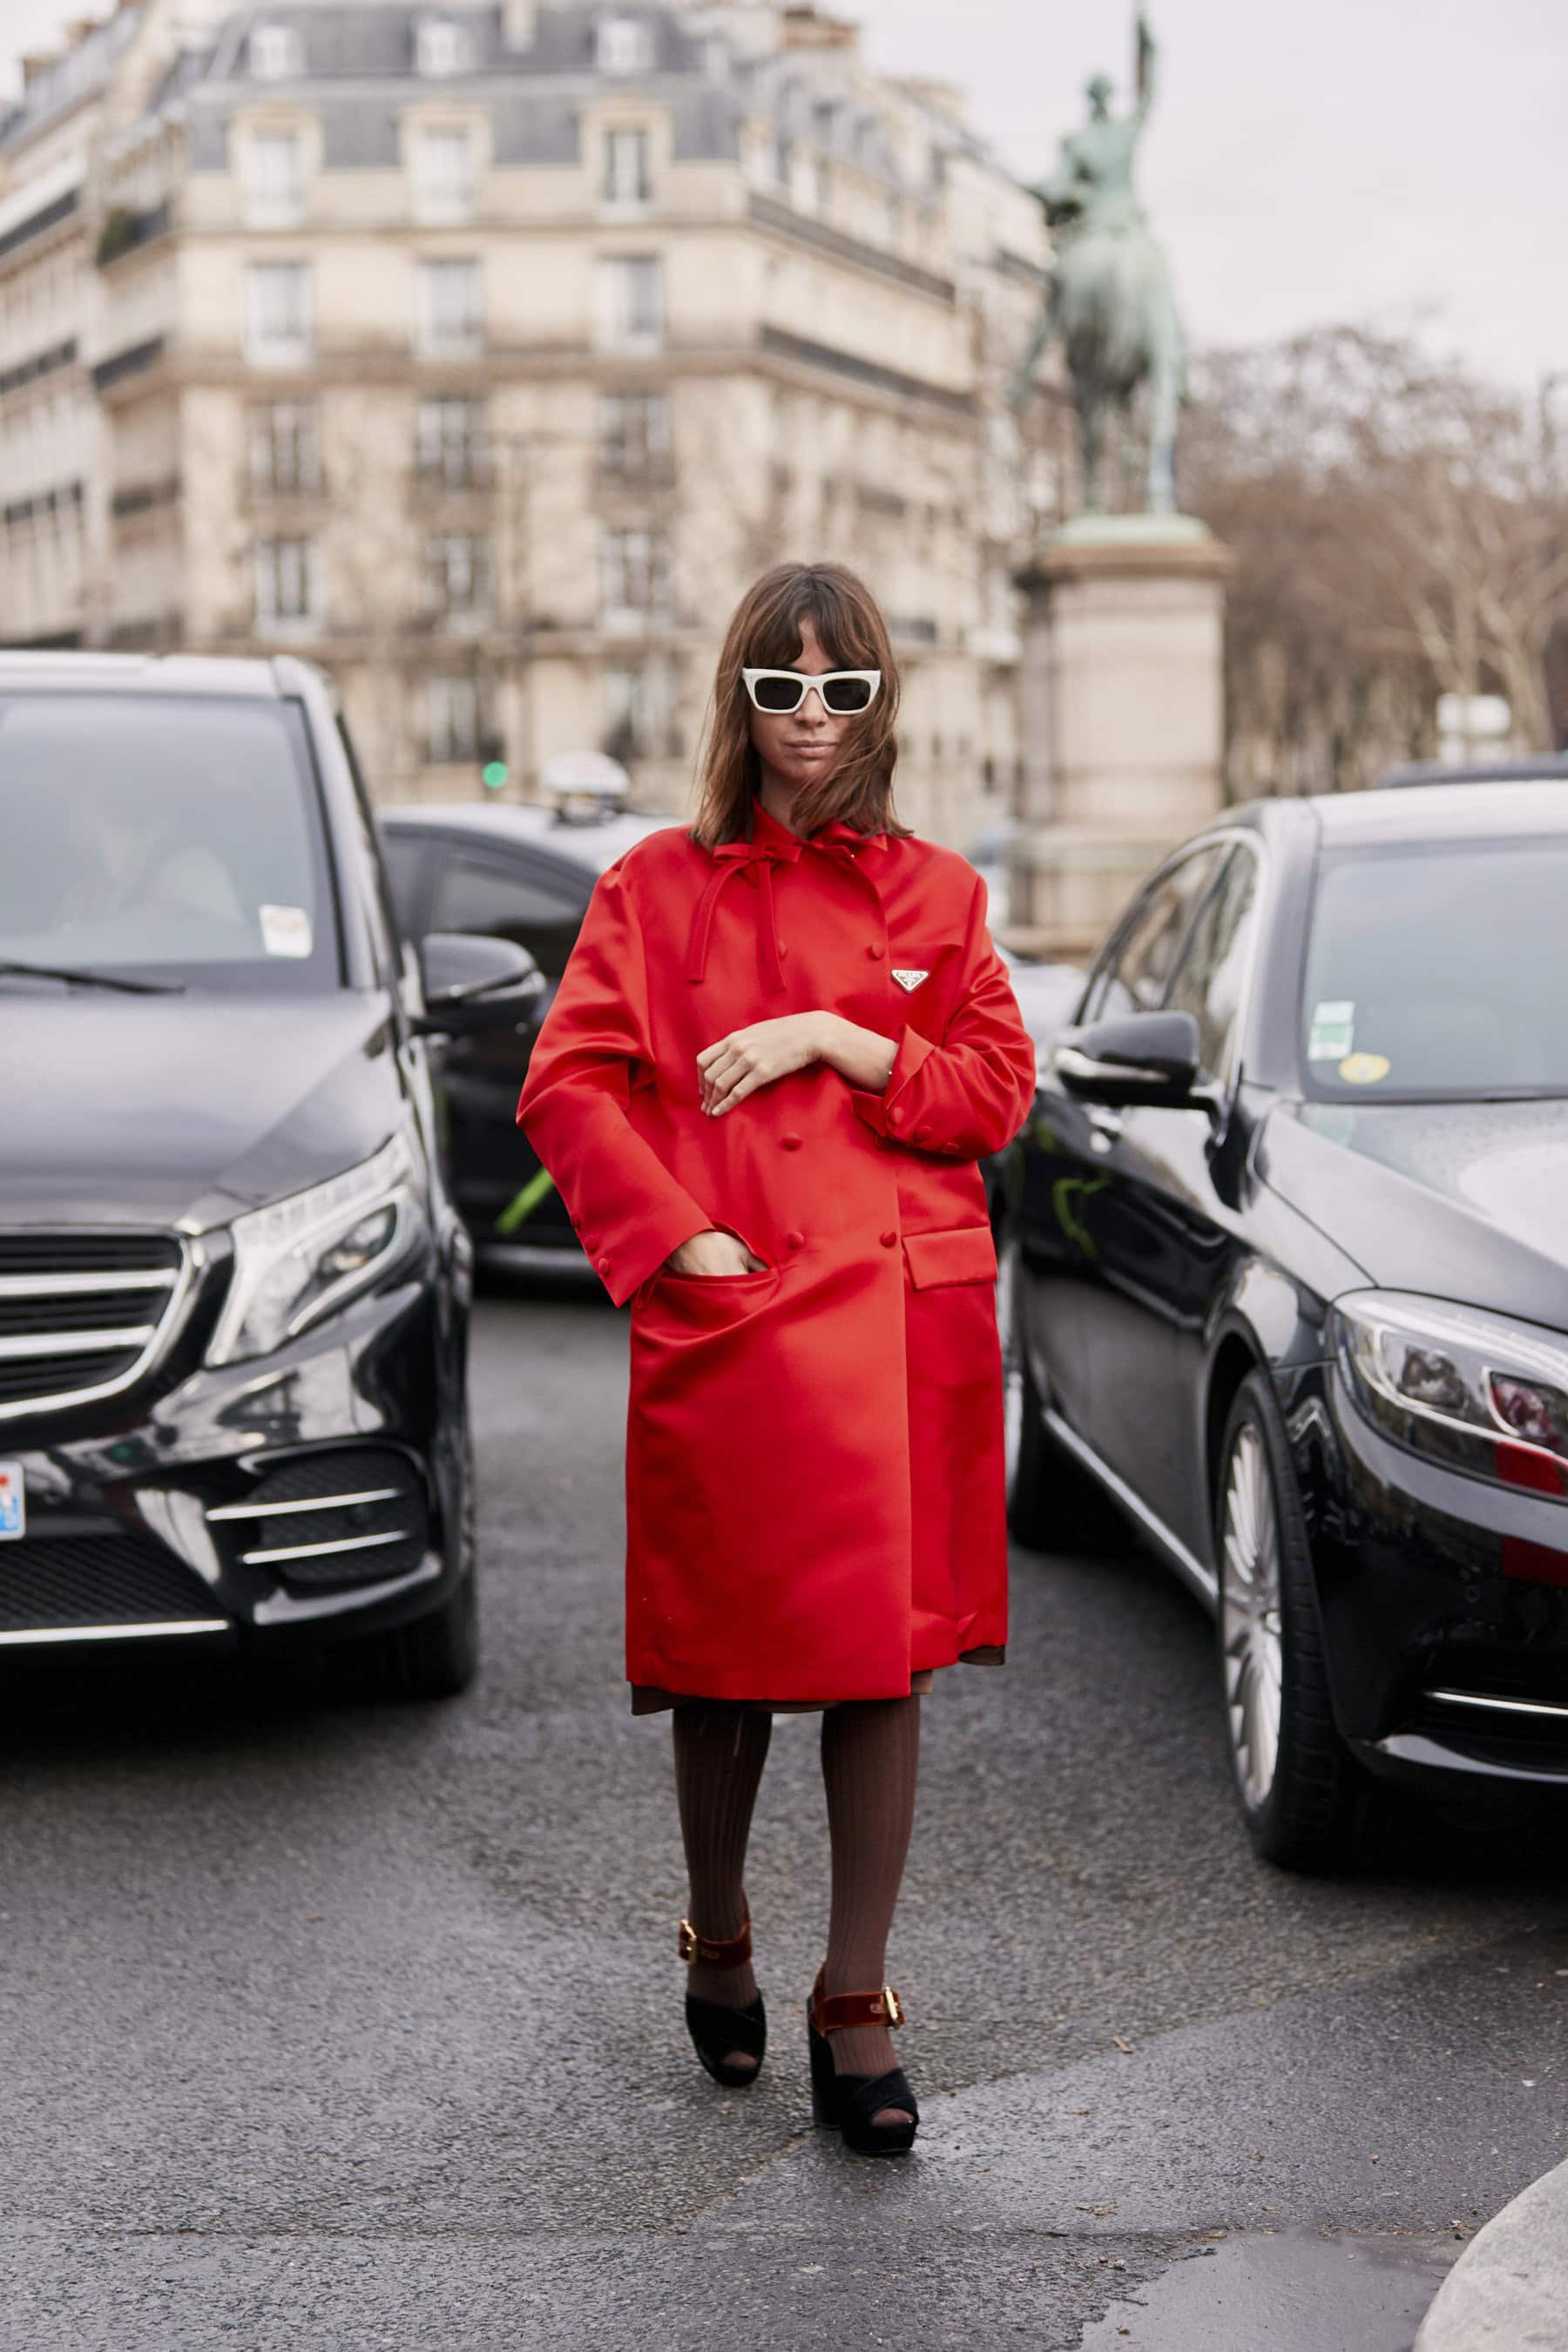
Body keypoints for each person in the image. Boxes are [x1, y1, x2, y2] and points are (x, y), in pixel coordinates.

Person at [517, 563, 1035, 2157]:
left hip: (890, 1324)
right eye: (782, 687)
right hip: (737, 1317)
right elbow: (567, 1089)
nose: (812, 719)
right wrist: (677, 1241)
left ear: (881, 706)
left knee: (887, 1667)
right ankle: (720, 1926)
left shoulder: (940, 894)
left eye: (843, 691)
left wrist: (842, 1038)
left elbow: (994, 1094)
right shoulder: (653, 888)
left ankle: (856, 1997)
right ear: (738, 697)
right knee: (725, 1672)